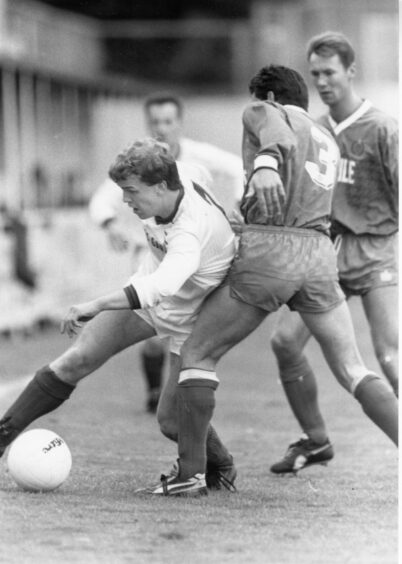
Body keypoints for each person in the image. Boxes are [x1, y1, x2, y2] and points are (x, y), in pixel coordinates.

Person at [149, 65, 398, 492]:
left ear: (267, 96)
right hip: (319, 253)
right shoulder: (324, 137)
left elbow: (275, 139)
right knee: (353, 367)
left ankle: (190, 474)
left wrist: (264, 164)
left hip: (273, 251)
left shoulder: (263, 110)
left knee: (197, 353)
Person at [0, 137, 238, 496]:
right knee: (77, 359)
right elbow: (203, 174)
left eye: (132, 192)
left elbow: (160, 287)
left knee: (168, 421)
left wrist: (96, 304)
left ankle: (220, 463)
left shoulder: (189, 233)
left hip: (190, 314)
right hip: (153, 296)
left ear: (162, 186)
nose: (125, 201)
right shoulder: (182, 175)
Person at [269, 32, 399, 474]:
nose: (322, 81)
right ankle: (316, 439)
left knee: (389, 356)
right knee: (285, 342)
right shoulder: (315, 131)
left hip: (375, 252)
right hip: (326, 256)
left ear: (350, 71)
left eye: (330, 72)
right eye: (315, 74)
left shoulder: (383, 128)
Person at [89, 92, 244, 414]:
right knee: (151, 333)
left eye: (168, 121)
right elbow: (100, 201)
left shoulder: (197, 156)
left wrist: (240, 206)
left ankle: (178, 401)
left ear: (179, 123)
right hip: (151, 252)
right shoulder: (138, 164)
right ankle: (156, 391)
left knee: (187, 335)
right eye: (156, 122)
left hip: (195, 255)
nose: (162, 128)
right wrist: (111, 225)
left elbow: (239, 168)